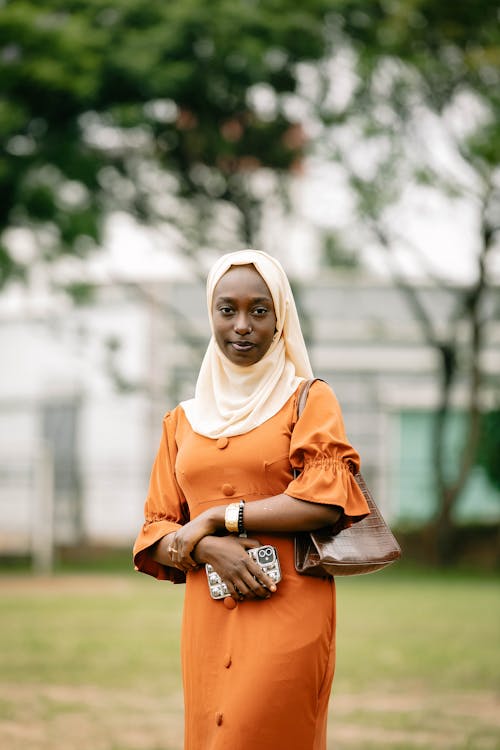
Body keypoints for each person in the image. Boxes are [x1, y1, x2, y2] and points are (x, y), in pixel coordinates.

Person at [133, 250, 369, 750]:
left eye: (259, 311)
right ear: (210, 314)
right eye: (227, 310)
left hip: (287, 609)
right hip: (207, 619)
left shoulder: (308, 397)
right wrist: (205, 547)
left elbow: (327, 500)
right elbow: (155, 530)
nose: (242, 325)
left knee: (261, 733)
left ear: (280, 317)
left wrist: (220, 518)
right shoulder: (183, 420)